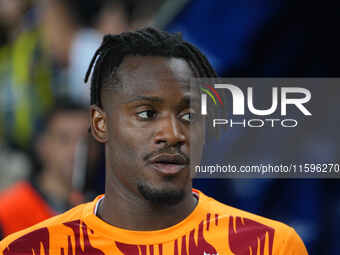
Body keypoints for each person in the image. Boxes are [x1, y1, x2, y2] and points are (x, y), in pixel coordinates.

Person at [0, 27, 308, 255]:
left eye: (188, 115)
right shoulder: (29, 250)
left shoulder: (270, 246)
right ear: (100, 124)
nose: (173, 134)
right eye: (147, 114)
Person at [0, 100, 89, 239]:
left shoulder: (99, 208)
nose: (76, 151)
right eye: (64, 139)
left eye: (85, 141)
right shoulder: (9, 210)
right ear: (42, 145)